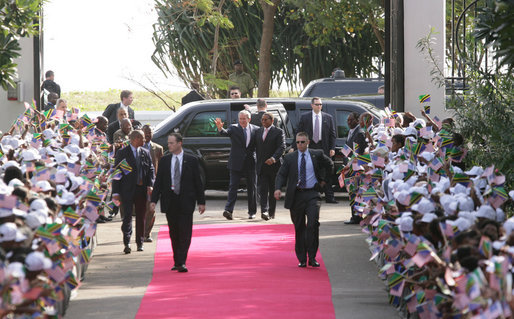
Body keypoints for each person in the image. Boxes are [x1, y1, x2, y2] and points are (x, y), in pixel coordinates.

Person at [274, 132, 333, 267]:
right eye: (298, 142)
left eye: (302, 142)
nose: (300, 144)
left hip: (312, 194)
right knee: (299, 227)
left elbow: (329, 164)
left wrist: (324, 182)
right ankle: (301, 258)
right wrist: (277, 188)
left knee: (312, 225)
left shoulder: (316, 154)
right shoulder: (290, 158)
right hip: (296, 196)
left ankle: (312, 257)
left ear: (308, 142)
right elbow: (281, 175)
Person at [150, 133, 205, 273]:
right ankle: (177, 260)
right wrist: (153, 200)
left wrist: (201, 202)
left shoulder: (191, 160)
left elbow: (198, 182)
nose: (168, 145)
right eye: (168, 143)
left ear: (180, 143)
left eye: (171, 143)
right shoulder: (165, 160)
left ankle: (182, 261)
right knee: (174, 232)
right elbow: (159, 182)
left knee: (185, 232)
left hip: (186, 200)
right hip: (170, 200)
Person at [112, 130, 154, 254]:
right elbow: (117, 173)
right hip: (127, 190)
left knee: (141, 216)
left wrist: (150, 184)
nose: (144, 141)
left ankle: (140, 242)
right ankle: (127, 241)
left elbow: (151, 169)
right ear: (135, 139)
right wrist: (115, 192)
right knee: (127, 217)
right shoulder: (122, 153)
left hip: (141, 189)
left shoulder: (145, 153)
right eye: (142, 138)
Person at [215, 110, 259, 220]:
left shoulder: (256, 130)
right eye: (240, 119)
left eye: (244, 119)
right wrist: (220, 128)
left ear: (249, 119)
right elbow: (225, 133)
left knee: (252, 188)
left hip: (250, 163)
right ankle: (228, 210)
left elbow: (261, 144)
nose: (242, 121)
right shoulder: (234, 128)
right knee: (233, 187)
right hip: (236, 162)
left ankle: (252, 212)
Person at [296, 97, 337, 203]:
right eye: (317, 104)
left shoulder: (328, 117)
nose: (319, 106)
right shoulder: (305, 117)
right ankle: (311, 195)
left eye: (320, 104)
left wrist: (332, 148)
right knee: (310, 170)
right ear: (312, 105)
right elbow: (299, 132)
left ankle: (329, 196)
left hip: (323, 147)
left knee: (327, 171)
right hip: (310, 147)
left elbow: (332, 135)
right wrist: (294, 146)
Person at [255, 112, 285, 220]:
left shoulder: (278, 132)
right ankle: (264, 211)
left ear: (272, 121)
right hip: (262, 166)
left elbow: (281, 147)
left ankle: (271, 212)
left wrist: (273, 158)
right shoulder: (258, 131)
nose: (263, 122)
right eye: (262, 120)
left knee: (273, 190)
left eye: (265, 120)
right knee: (263, 190)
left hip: (274, 167)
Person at [343, 112, 368, 225]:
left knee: (356, 193)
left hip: (356, 168)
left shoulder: (359, 133)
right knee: (352, 193)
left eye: (351, 120)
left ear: (357, 121)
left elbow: (358, 152)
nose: (349, 122)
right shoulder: (351, 132)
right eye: (348, 120)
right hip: (350, 166)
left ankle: (356, 217)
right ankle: (355, 215)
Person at [142, 125, 163, 243]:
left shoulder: (158, 148)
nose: (148, 134)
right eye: (146, 132)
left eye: (150, 132)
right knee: (141, 210)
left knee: (151, 209)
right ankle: (140, 232)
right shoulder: (138, 147)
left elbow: (161, 167)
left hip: (153, 184)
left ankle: (147, 233)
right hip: (139, 183)